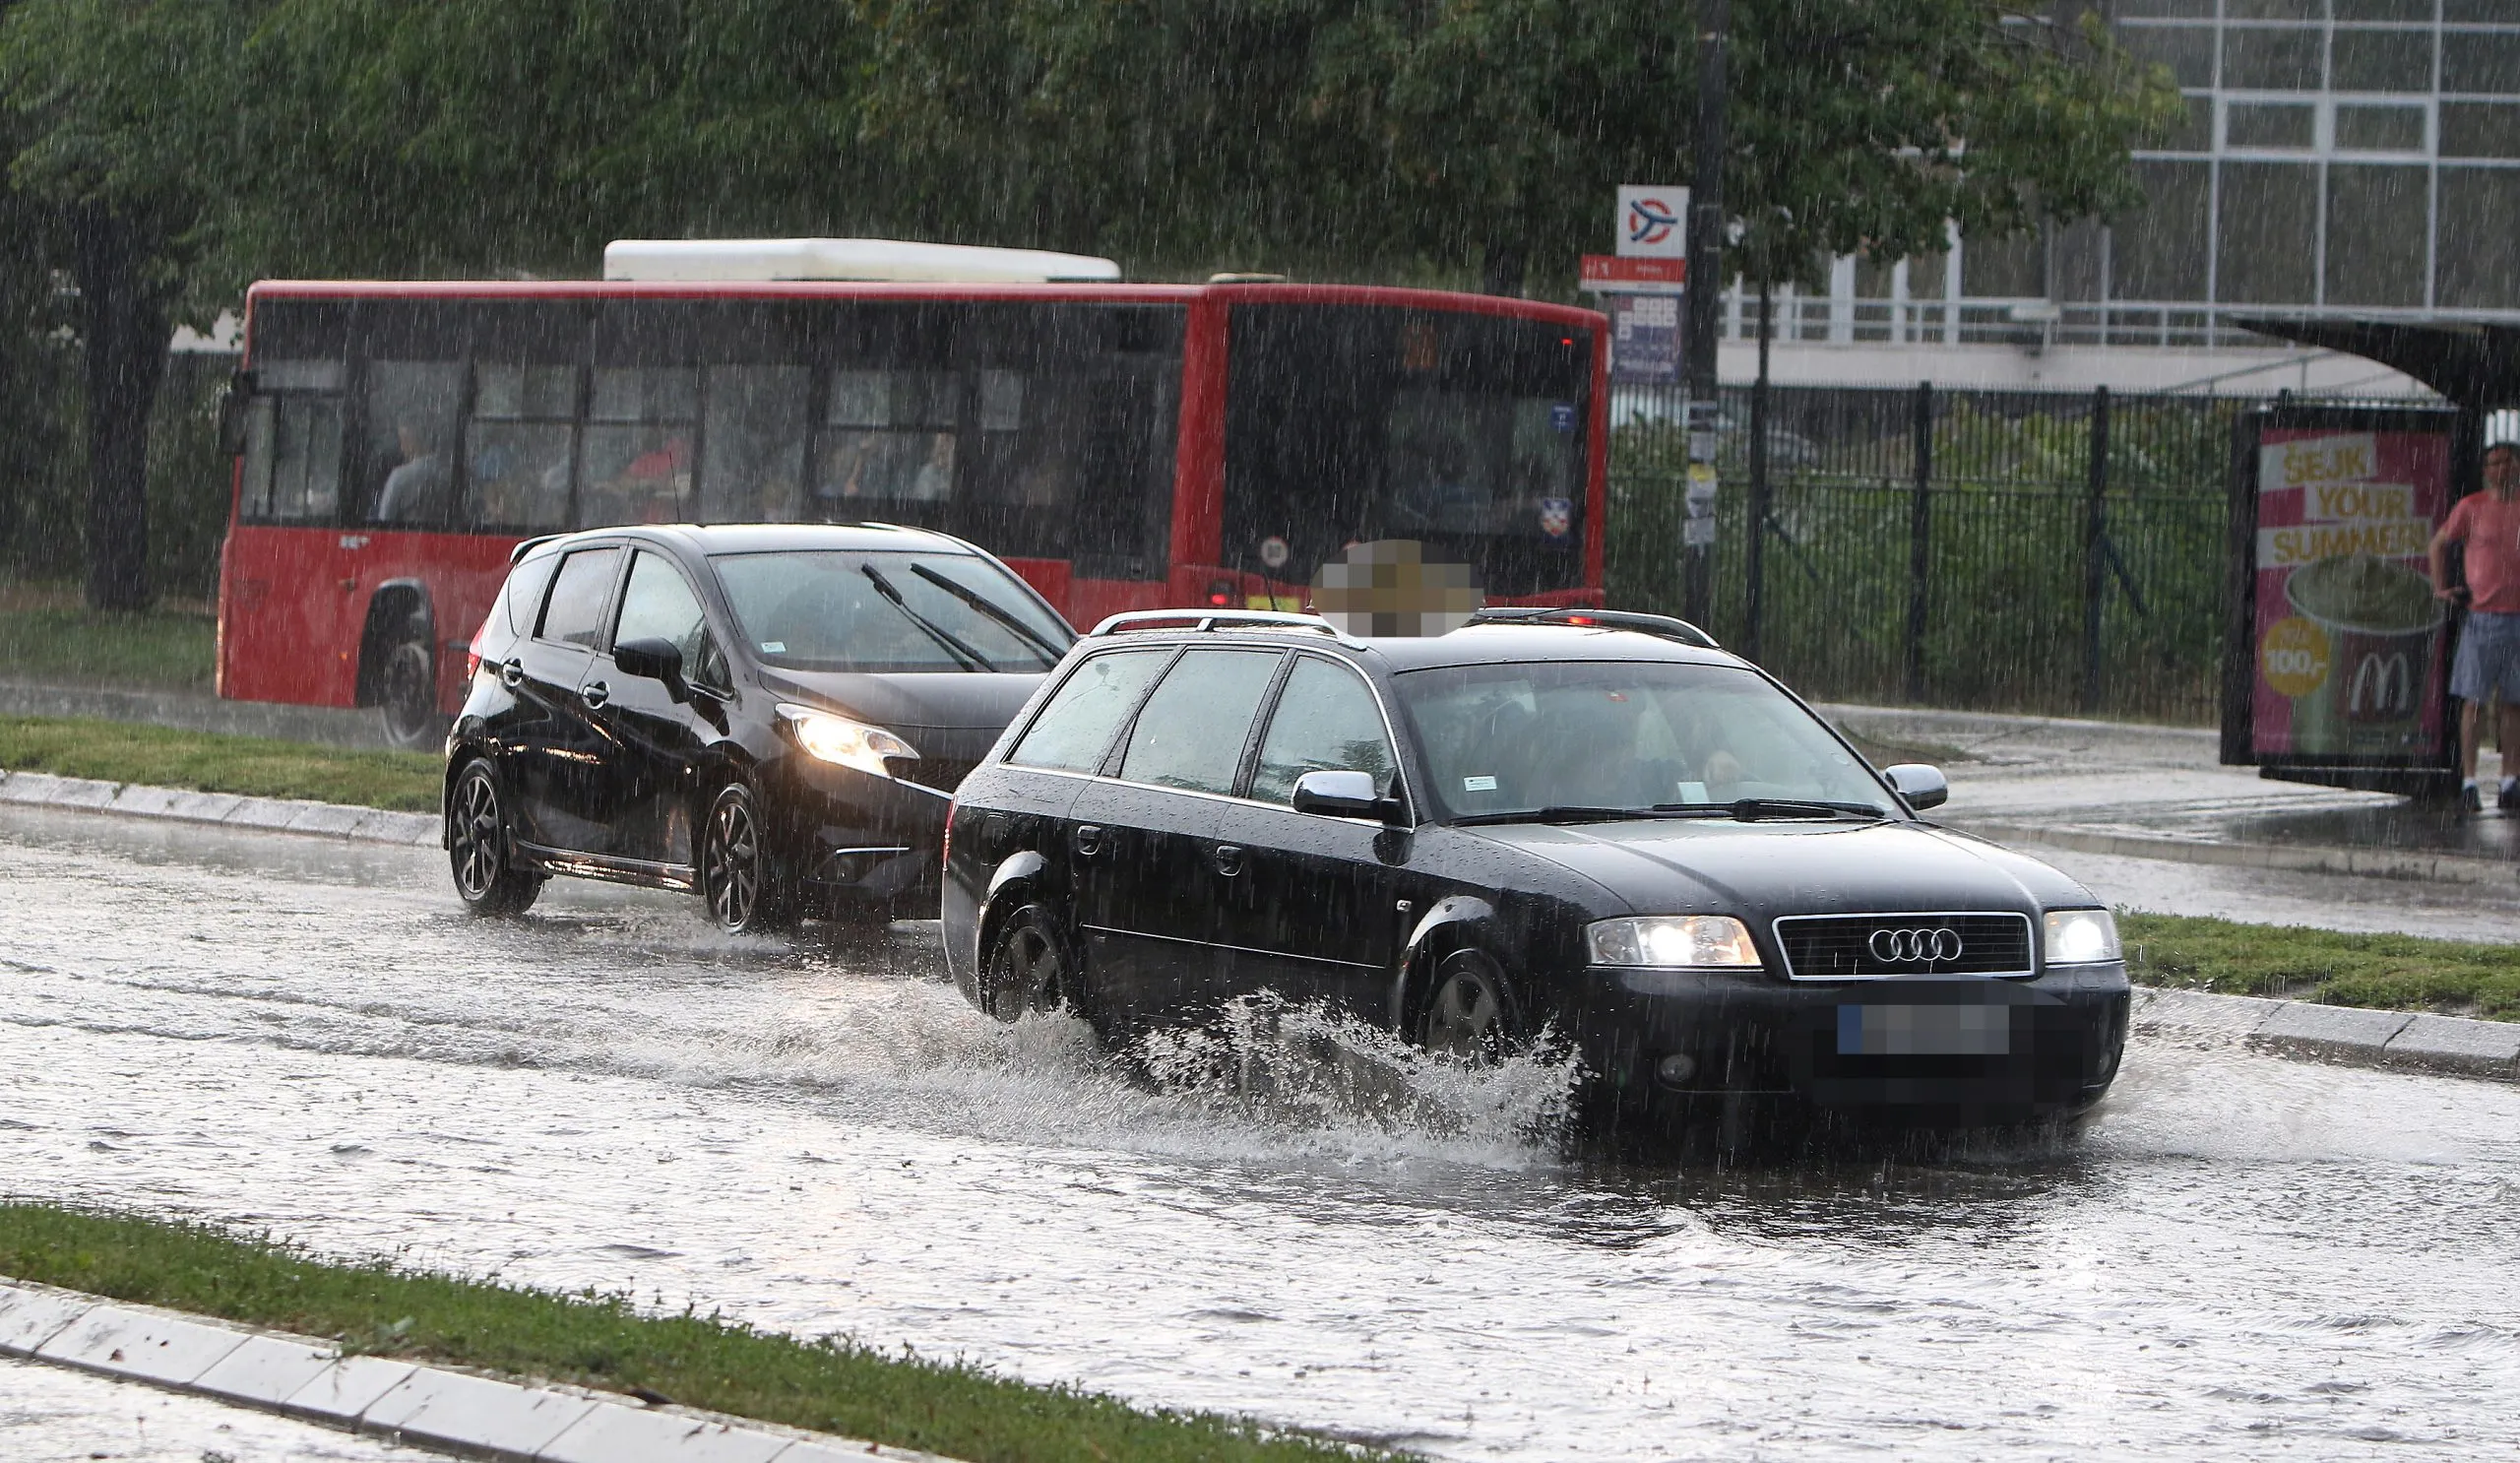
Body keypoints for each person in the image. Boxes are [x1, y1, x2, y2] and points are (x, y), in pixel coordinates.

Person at [2427, 437, 2520, 811]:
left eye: (2508, 462)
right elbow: (2438, 543)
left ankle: (2510, 779)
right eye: (2495, 463)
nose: (2502, 469)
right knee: (2474, 703)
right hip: (2482, 618)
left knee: (2515, 704)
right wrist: (2440, 588)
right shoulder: (2472, 507)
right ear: (2486, 471)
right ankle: (2468, 781)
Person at [371, 421, 452, 524]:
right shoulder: (448, 473)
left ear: (411, 442)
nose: (401, 447)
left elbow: (384, 521)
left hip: (408, 537)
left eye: (402, 441)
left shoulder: (400, 477)